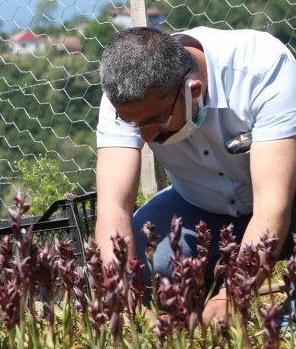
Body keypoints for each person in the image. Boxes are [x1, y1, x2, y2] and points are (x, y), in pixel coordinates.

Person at [94, 26, 296, 321]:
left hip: (287, 203)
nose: (147, 137)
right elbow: (113, 210)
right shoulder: (125, 101)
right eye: (135, 127)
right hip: (199, 205)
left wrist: (232, 295)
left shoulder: (261, 68)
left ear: (194, 91)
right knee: (147, 262)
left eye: (156, 122)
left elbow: (273, 207)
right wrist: (120, 291)